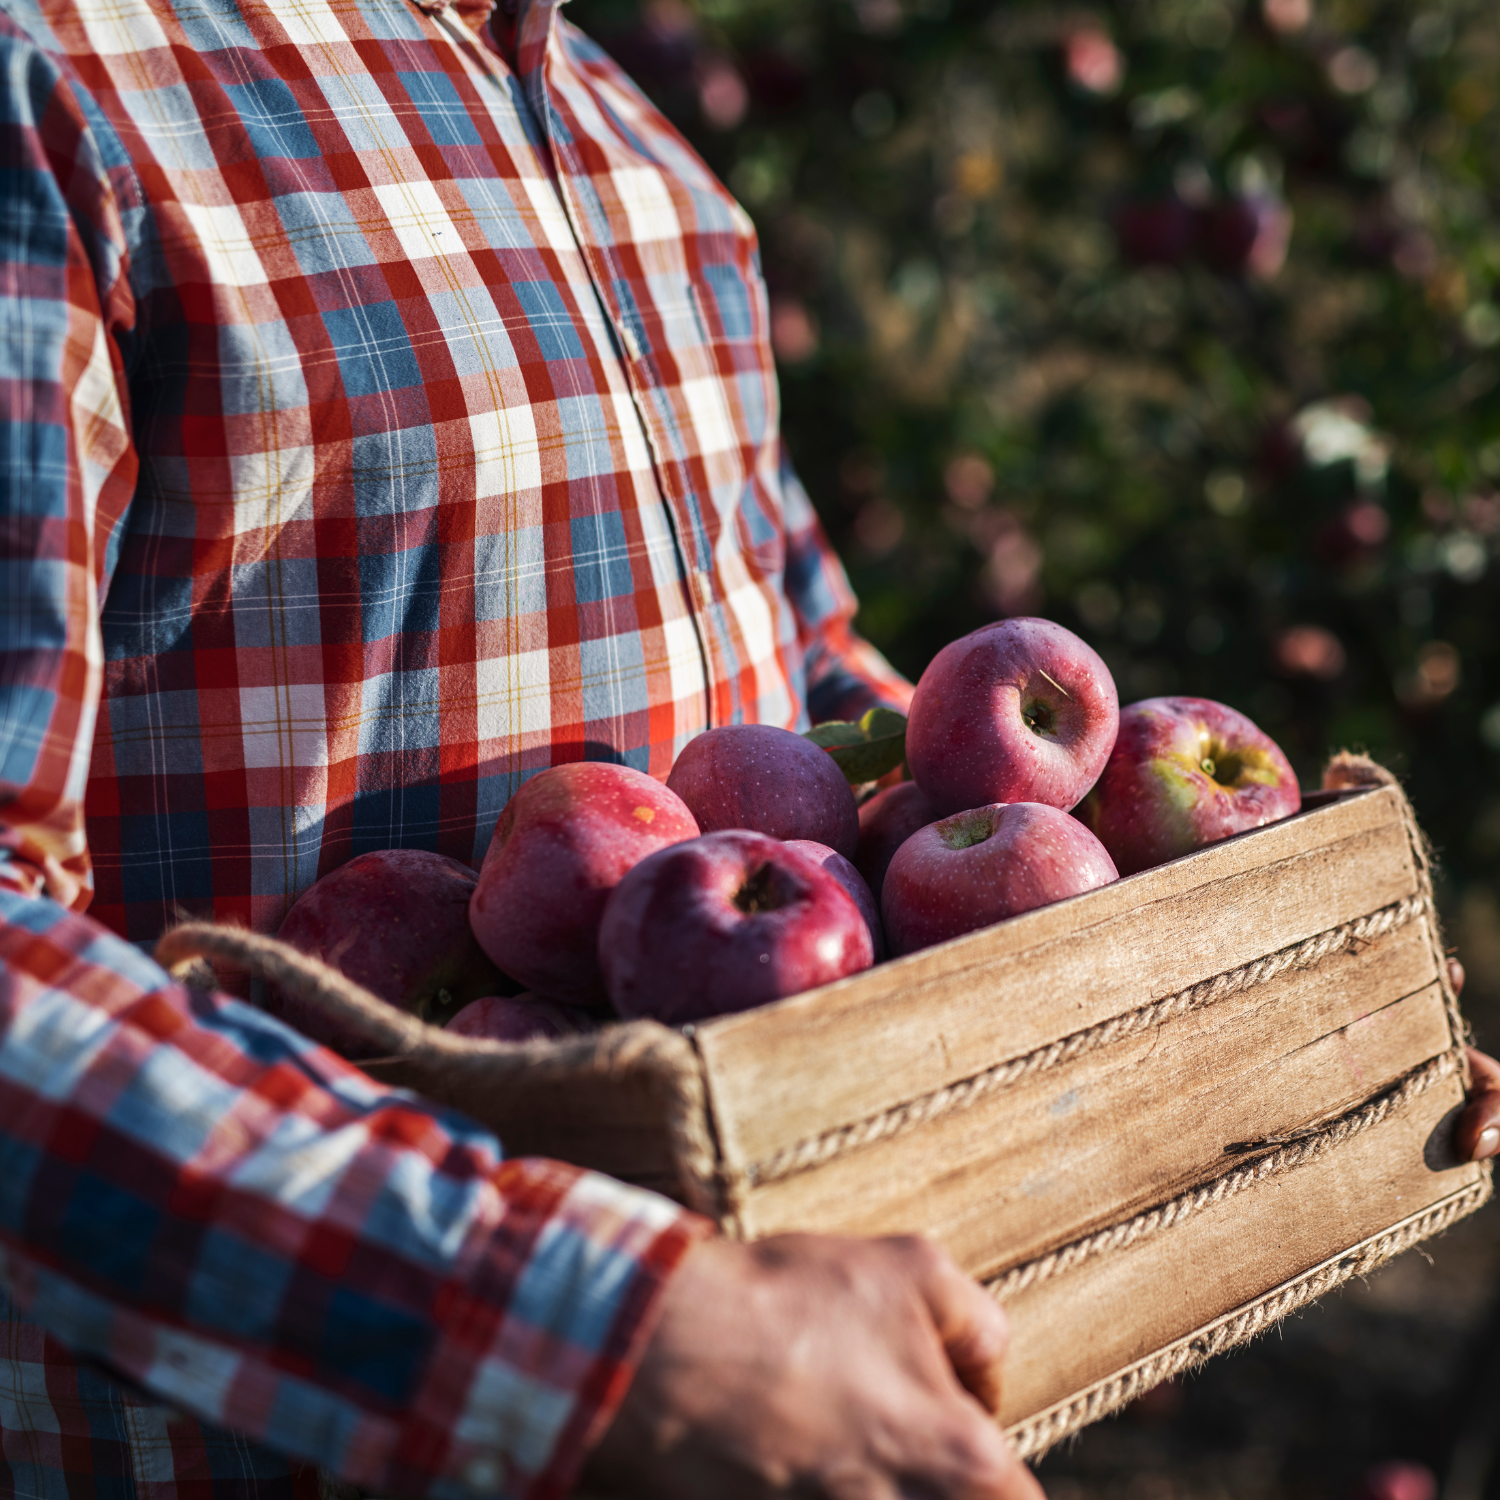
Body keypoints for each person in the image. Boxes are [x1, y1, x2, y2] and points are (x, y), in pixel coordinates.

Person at [0, 0, 1494, 1492]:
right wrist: (606, 1337)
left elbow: (809, 688)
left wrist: (1227, 974)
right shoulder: (62, 93)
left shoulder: (652, 165)